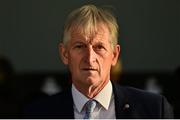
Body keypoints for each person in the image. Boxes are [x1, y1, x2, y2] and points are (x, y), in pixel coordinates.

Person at [23, 4, 173, 119]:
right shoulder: (37, 113)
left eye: (99, 47)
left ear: (114, 55)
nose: (89, 58)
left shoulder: (153, 110)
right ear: (64, 54)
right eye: (80, 46)